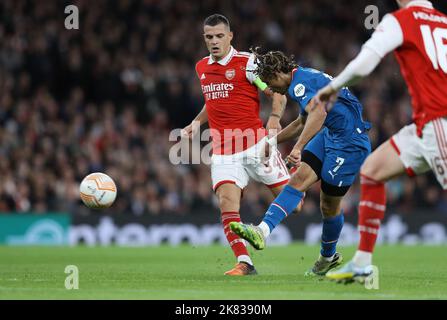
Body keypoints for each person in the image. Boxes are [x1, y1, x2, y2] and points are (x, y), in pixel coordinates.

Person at [315, 0, 447, 282]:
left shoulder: (401, 20)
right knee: (372, 171)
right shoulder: (443, 21)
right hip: (424, 126)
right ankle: (362, 264)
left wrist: (331, 87)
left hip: (440, 121)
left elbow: (365, 63)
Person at [230, 49, 372, 276]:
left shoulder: (299, 85)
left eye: (270, 82)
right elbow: (301, 122)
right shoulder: (302, 78)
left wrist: (297, 148)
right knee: (297, 180)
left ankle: (328, 257)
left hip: (349, 143)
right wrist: (272, 141)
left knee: (329, 205)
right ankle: (262, 231)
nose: (272, 89)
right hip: (331, 135)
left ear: (278, 73)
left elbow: (319, 115)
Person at [182, 14, 296, 276]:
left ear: (230, 36)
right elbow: (213, 101)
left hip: (256, 145)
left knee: (295, 201)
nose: (214, 41)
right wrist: (197, 123)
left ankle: (264, 230)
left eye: (219, 36)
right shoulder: (202, 67)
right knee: (227, 203)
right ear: (204, 38)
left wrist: (275, 120)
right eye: (209, 37)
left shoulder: (247, 63)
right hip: (223, 150)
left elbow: (276, 93)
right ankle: (245, 262)